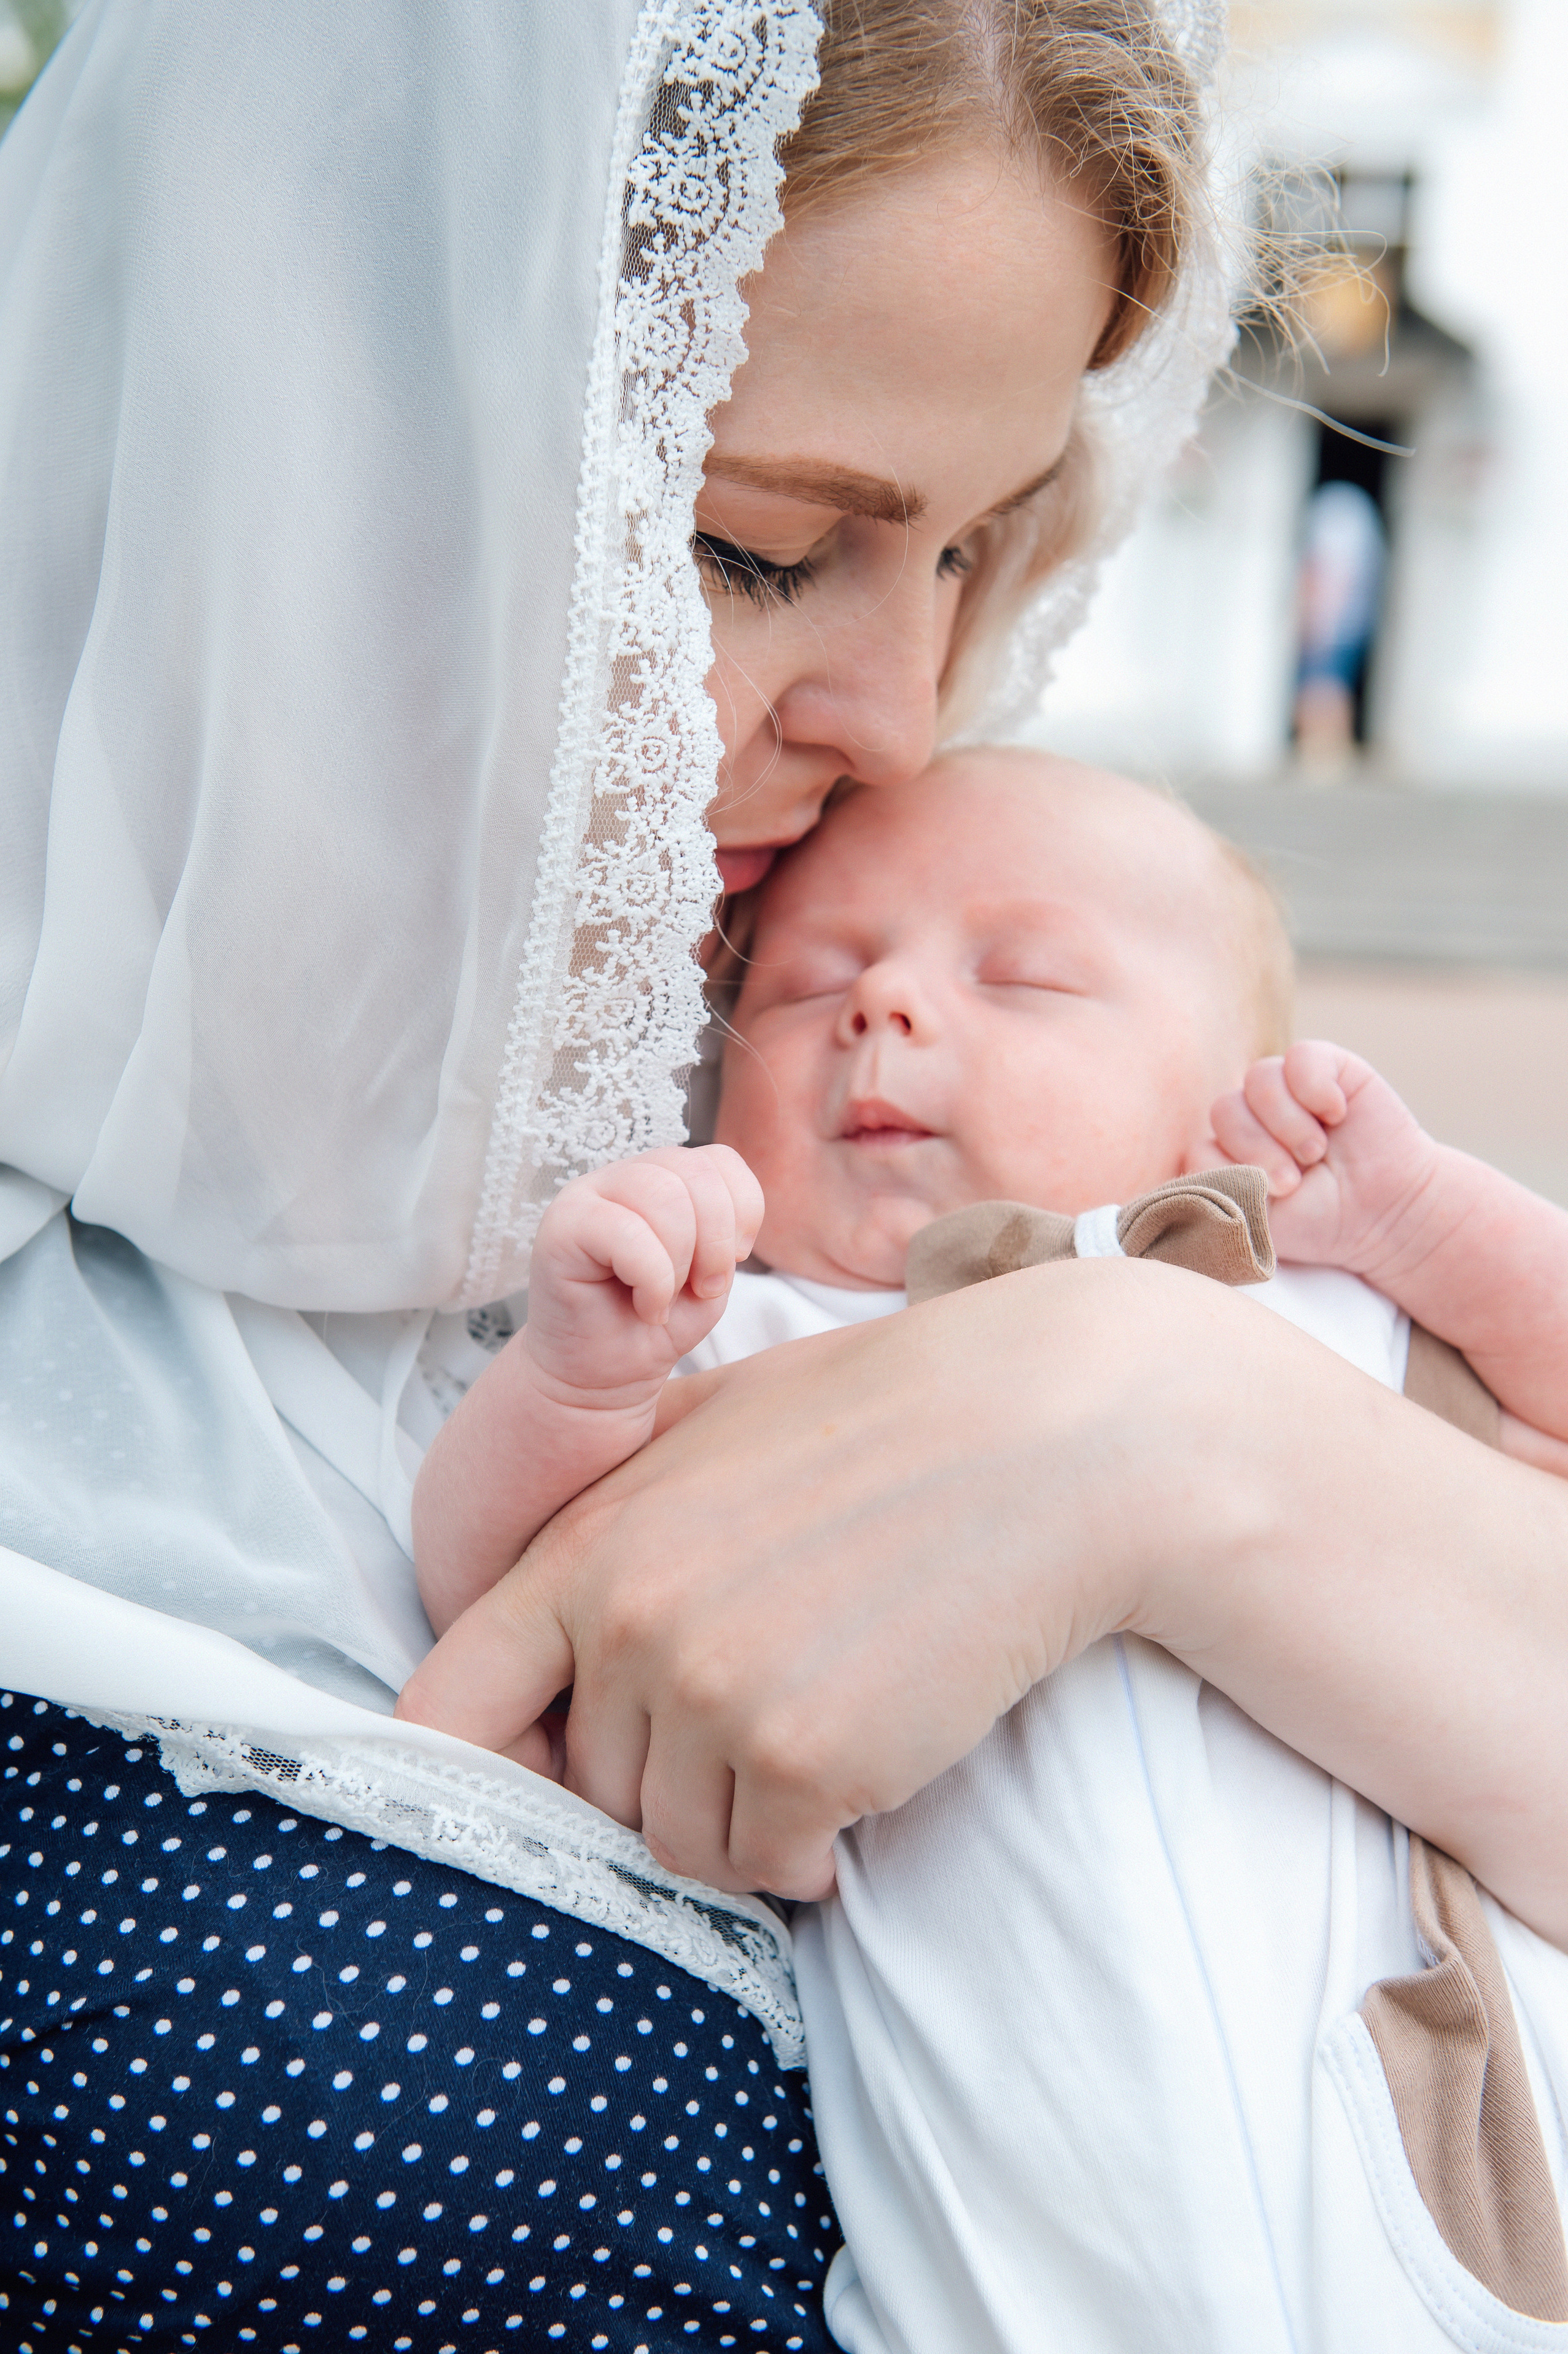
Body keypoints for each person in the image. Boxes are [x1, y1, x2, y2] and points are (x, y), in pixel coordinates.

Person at [0, 2, 1239, 2346]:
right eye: (753, 542)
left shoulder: (874, 1117)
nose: (905, 715)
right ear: (291, 448)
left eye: (978, 549)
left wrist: (1176, 1442)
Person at [402, 750, 1568, 2349]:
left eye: (1019, 976)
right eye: (809, 986)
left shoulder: (1309, 1308)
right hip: (993, 2267)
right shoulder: (752, 1332)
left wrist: (1426, 1223)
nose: (881, 1008)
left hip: (1429, 2207)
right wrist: (573, 1374)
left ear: (1236, 1083)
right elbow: (510, 1592)